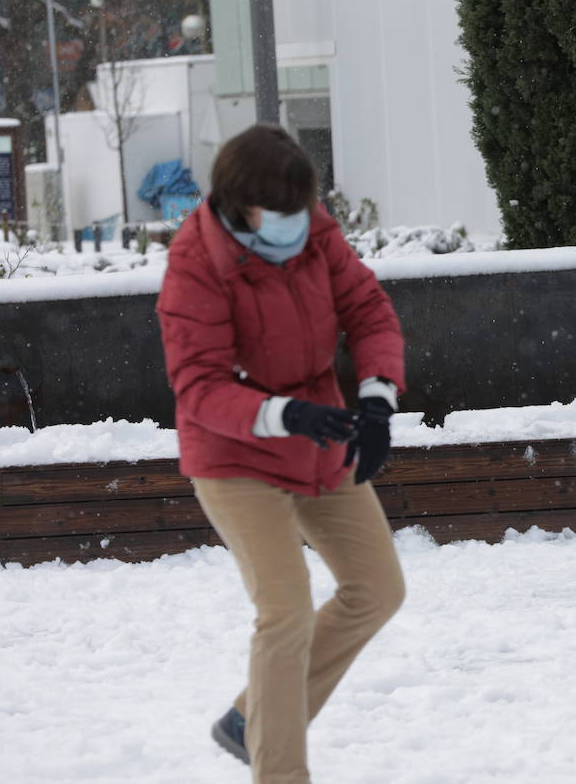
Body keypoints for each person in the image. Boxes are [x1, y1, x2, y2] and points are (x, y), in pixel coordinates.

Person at [157, 124, 408, 782]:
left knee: (377, 589)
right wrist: (281, 413)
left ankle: (250, 720)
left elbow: (368, 309)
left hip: (317, 434)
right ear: (244, 206)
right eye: (285, 213)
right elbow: (199, 386)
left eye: (306, 209)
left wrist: (377, 400)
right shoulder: (195, 263)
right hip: (233, 454)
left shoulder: (313, 228)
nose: (301, 223)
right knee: (286, 611)